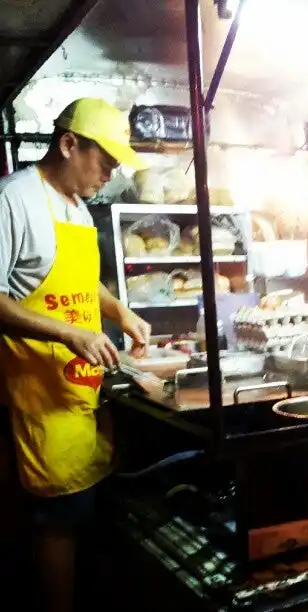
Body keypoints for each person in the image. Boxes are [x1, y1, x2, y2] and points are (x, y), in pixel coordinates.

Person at [0, 98, 151, 612]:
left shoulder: (79, 208)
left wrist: (120, 311)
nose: (108, 176)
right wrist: (67, 334)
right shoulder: (14, 199)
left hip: (82, 392)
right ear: (69, 144)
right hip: (38, 398)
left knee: (87, 515)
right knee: (58, 528)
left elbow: (85, 284)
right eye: (105, 163)